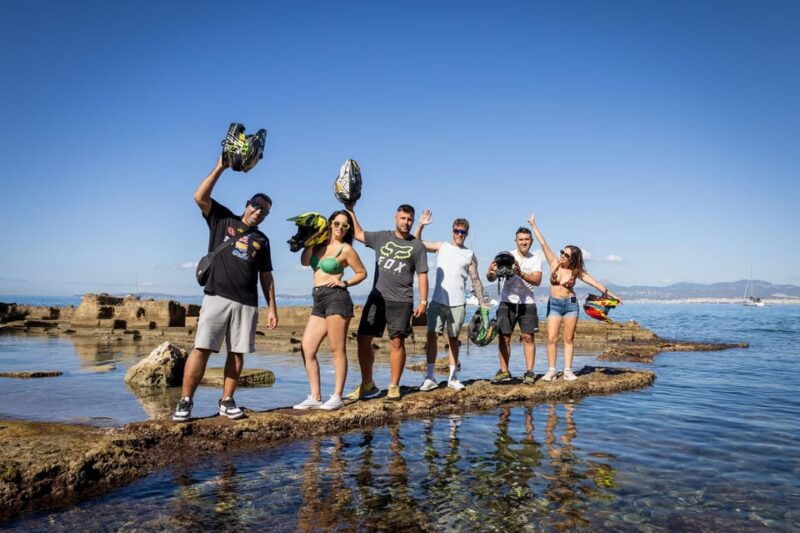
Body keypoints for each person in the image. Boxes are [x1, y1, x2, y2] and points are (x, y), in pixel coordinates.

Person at [173, 156, 278, 422]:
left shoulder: (262, 241)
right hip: (217, 296)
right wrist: (221, 165)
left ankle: (227, 401)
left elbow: (266, 276)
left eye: (264, 211)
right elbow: (199, 196)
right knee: (202, 348)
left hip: (247, 302)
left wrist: (272, 309)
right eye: (256, 206)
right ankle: (185, 402)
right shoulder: (223, 219)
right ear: (247, 205)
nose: (258, 212)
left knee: (237, 353)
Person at [344, 201, 429, 401]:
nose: (406, 222)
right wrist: (351, 210)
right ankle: (367, 384)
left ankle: (393, 386)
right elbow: (358, 234)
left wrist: (423, 302)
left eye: (410, 219)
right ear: (395, 218)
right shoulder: (382, 237)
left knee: (397, 342)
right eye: (403, 218)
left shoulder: (417, 246)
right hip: (377, 297)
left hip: (402, 301)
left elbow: (422, 275)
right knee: (363, 338)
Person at [528, 211, 622, 381]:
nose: (562, 256)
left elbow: (595, 283)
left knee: (569, 338)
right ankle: (551, 370)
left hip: (571, 305)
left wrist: (612, 296)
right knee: (551, 338)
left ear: (573, 259)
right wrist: (533, 225)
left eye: (566, 255)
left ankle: (568, 370)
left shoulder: (576, 271)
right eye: (562, 252)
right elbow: (543, 243)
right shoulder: (554, 263)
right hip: (554, 305)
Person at [293, 210, 367, 410]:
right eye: (336, 223)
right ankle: (315, 397)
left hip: (337, 298)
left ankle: (337, 396)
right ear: (330, 223)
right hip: (318, 299)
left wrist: (345, 282)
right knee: (306, 348)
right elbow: (305, 261)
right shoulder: (319, 244)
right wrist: (310, 240)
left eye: (345, 226)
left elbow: (362, 272)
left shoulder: (346, 249)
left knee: (336, 349)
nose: (340, 228)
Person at [414, 210, 487, 391]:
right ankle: (430, 377)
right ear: (452, 231)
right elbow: (416, 244)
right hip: (438, 301)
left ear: (467, 234)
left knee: (453, 339)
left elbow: (476, 280)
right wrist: (421, 225)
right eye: (457, 231)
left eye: (463, 232)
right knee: (432, 337)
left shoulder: (469, 254)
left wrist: (482, 303)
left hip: (458, 303)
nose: (459, 234)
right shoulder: (442, 246)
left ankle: (453, 378)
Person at [486, 226, 543, 384]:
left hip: (527, 303)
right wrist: (490, 272)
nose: (524, 242)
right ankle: (504, 371)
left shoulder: (535, 259)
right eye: (521, 240)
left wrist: (520, 273)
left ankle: (529, 372)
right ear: (516, 241)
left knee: (528, 337)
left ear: (531, 241)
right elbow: (491, 278)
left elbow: (537, 281)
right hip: (506, 302)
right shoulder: (506, 256)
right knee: (504, 338)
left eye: (526, 239)